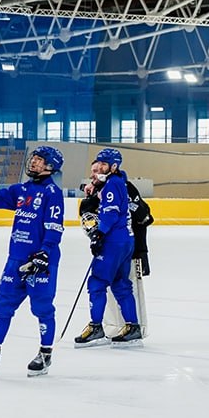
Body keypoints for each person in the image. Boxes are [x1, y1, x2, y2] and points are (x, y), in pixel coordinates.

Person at [0, 146, 65, 377]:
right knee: (2, 304)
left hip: (40, 263)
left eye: (39, 160)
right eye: (33, 158)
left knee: (42, 308)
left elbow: (54, 227)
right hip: (16, 259)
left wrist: (44, 253)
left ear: (50, 166)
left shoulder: (52, 193)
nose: (33, 162)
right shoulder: (21, 189)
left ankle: (45, 354)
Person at [73, 148, 143, 347]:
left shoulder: (112, 184)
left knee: (97, 283)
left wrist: (99, 234)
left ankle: (96, 327)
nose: (100, 167)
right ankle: (133, 327)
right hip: (126, 240)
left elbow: (111, 213)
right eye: (99, 163)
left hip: (113, 241)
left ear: (114, 166)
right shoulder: (118, 181)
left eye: (104, 164)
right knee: (120, 284)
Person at [79, 166, 154, 337]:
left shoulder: (122, 188)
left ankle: (136, 328)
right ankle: (118, 327)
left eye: (97, 170)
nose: (93, 174)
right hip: (114, 247)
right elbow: (87, 216)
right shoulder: (101, 190)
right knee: (117, 288)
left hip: (128, 249)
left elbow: (144, 217)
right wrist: (91, 197)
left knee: (126, 287)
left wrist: (142, 252)